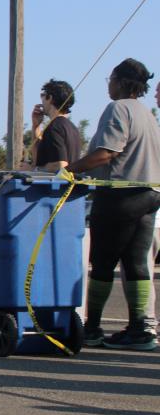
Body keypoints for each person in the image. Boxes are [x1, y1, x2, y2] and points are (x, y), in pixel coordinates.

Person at [68, 58, 160, 351]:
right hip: (150, 194)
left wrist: (70, 169)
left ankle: (92, 328)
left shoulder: (118, 108)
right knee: (136, 263)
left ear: (120, 82)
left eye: (110, 79)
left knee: (103, 262)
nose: (108, 85)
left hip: (120, 195)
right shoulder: (148, 113)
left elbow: (107, 152)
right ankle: (139, 329)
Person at [26, 79, 82, 172]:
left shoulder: (54, 127)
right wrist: (36, 126)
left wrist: (33, 170)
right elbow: (39, 160)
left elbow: (60, 166)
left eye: (43, 95)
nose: (41, 100)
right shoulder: (73, 128)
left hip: (57, 182)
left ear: (50, 98)